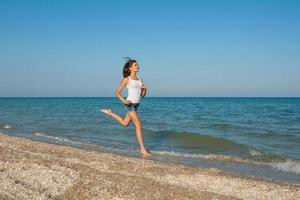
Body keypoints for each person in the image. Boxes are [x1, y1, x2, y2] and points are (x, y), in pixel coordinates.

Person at [100, 58, 152, 159]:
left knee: (125, 124)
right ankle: (142, 149)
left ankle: (110, 113)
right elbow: (117, 92)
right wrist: (124, 101)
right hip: (130, 104)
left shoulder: (140, 80)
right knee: (138, 124)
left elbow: (142, 95)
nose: (138, 66)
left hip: (137, 105)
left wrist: (145, 90)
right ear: (130, 68)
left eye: (138, 65)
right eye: (135, 65)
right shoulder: (127, 79)